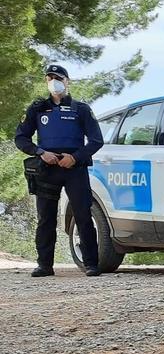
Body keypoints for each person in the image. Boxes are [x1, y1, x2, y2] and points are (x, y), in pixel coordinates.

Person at [14, 65, 105, 278]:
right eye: (49, 77)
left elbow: (96, 140)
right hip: (47, 168)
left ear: (67, 81)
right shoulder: (37, 109)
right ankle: (44, 265)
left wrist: (75, 158)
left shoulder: (81, 109)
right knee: (45, 218)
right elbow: (21, 138)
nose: (53, 81)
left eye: (58, 77)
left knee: (83, 215)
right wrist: (39, 152)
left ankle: (91, 264)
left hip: (74, 168)